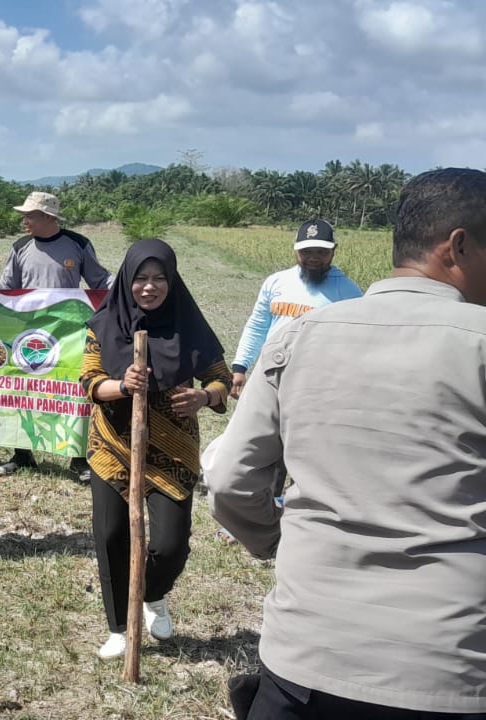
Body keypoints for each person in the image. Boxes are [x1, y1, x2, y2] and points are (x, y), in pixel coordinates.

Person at [208, 168, 486, 720]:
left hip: (303, 659)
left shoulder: (298, 339)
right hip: (446, 672)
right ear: (457, 245)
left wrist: (279, 545)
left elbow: (230, 480)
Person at [79, 238, 229, 660]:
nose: (149, 287)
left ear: (171, 280)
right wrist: (123, 384)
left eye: (159, 278)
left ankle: (153, 594)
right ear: (127, 280)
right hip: (113, 444)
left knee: (171, 544)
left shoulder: (190, 325)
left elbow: (220, 381)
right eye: (141, 278)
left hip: (174, 449)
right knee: (111, 536)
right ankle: (119, 628)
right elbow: (89, 382)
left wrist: (204, 398)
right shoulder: (103, 324)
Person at [0, 191, 110, 481]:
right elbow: (7, 285)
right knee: (23, 390)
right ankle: (22, 455)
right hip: (27, 332)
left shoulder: (78, 244)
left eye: (29, 215)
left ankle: (78, 459)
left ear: (48, 217)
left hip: (69, 334)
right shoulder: (20, 246)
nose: (24, 220)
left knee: (72, 392)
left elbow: (100, 281)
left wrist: (128, 282)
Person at [229, 219, 362, 398]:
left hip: (317, 383)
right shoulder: (276, 282)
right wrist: (240, 367)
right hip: (269, 374)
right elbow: (257, 327)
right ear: (295, 249)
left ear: (333, 251)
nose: (314, 258)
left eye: (321, 252)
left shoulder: (349, 292)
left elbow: (354, 344)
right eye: (306, 251)